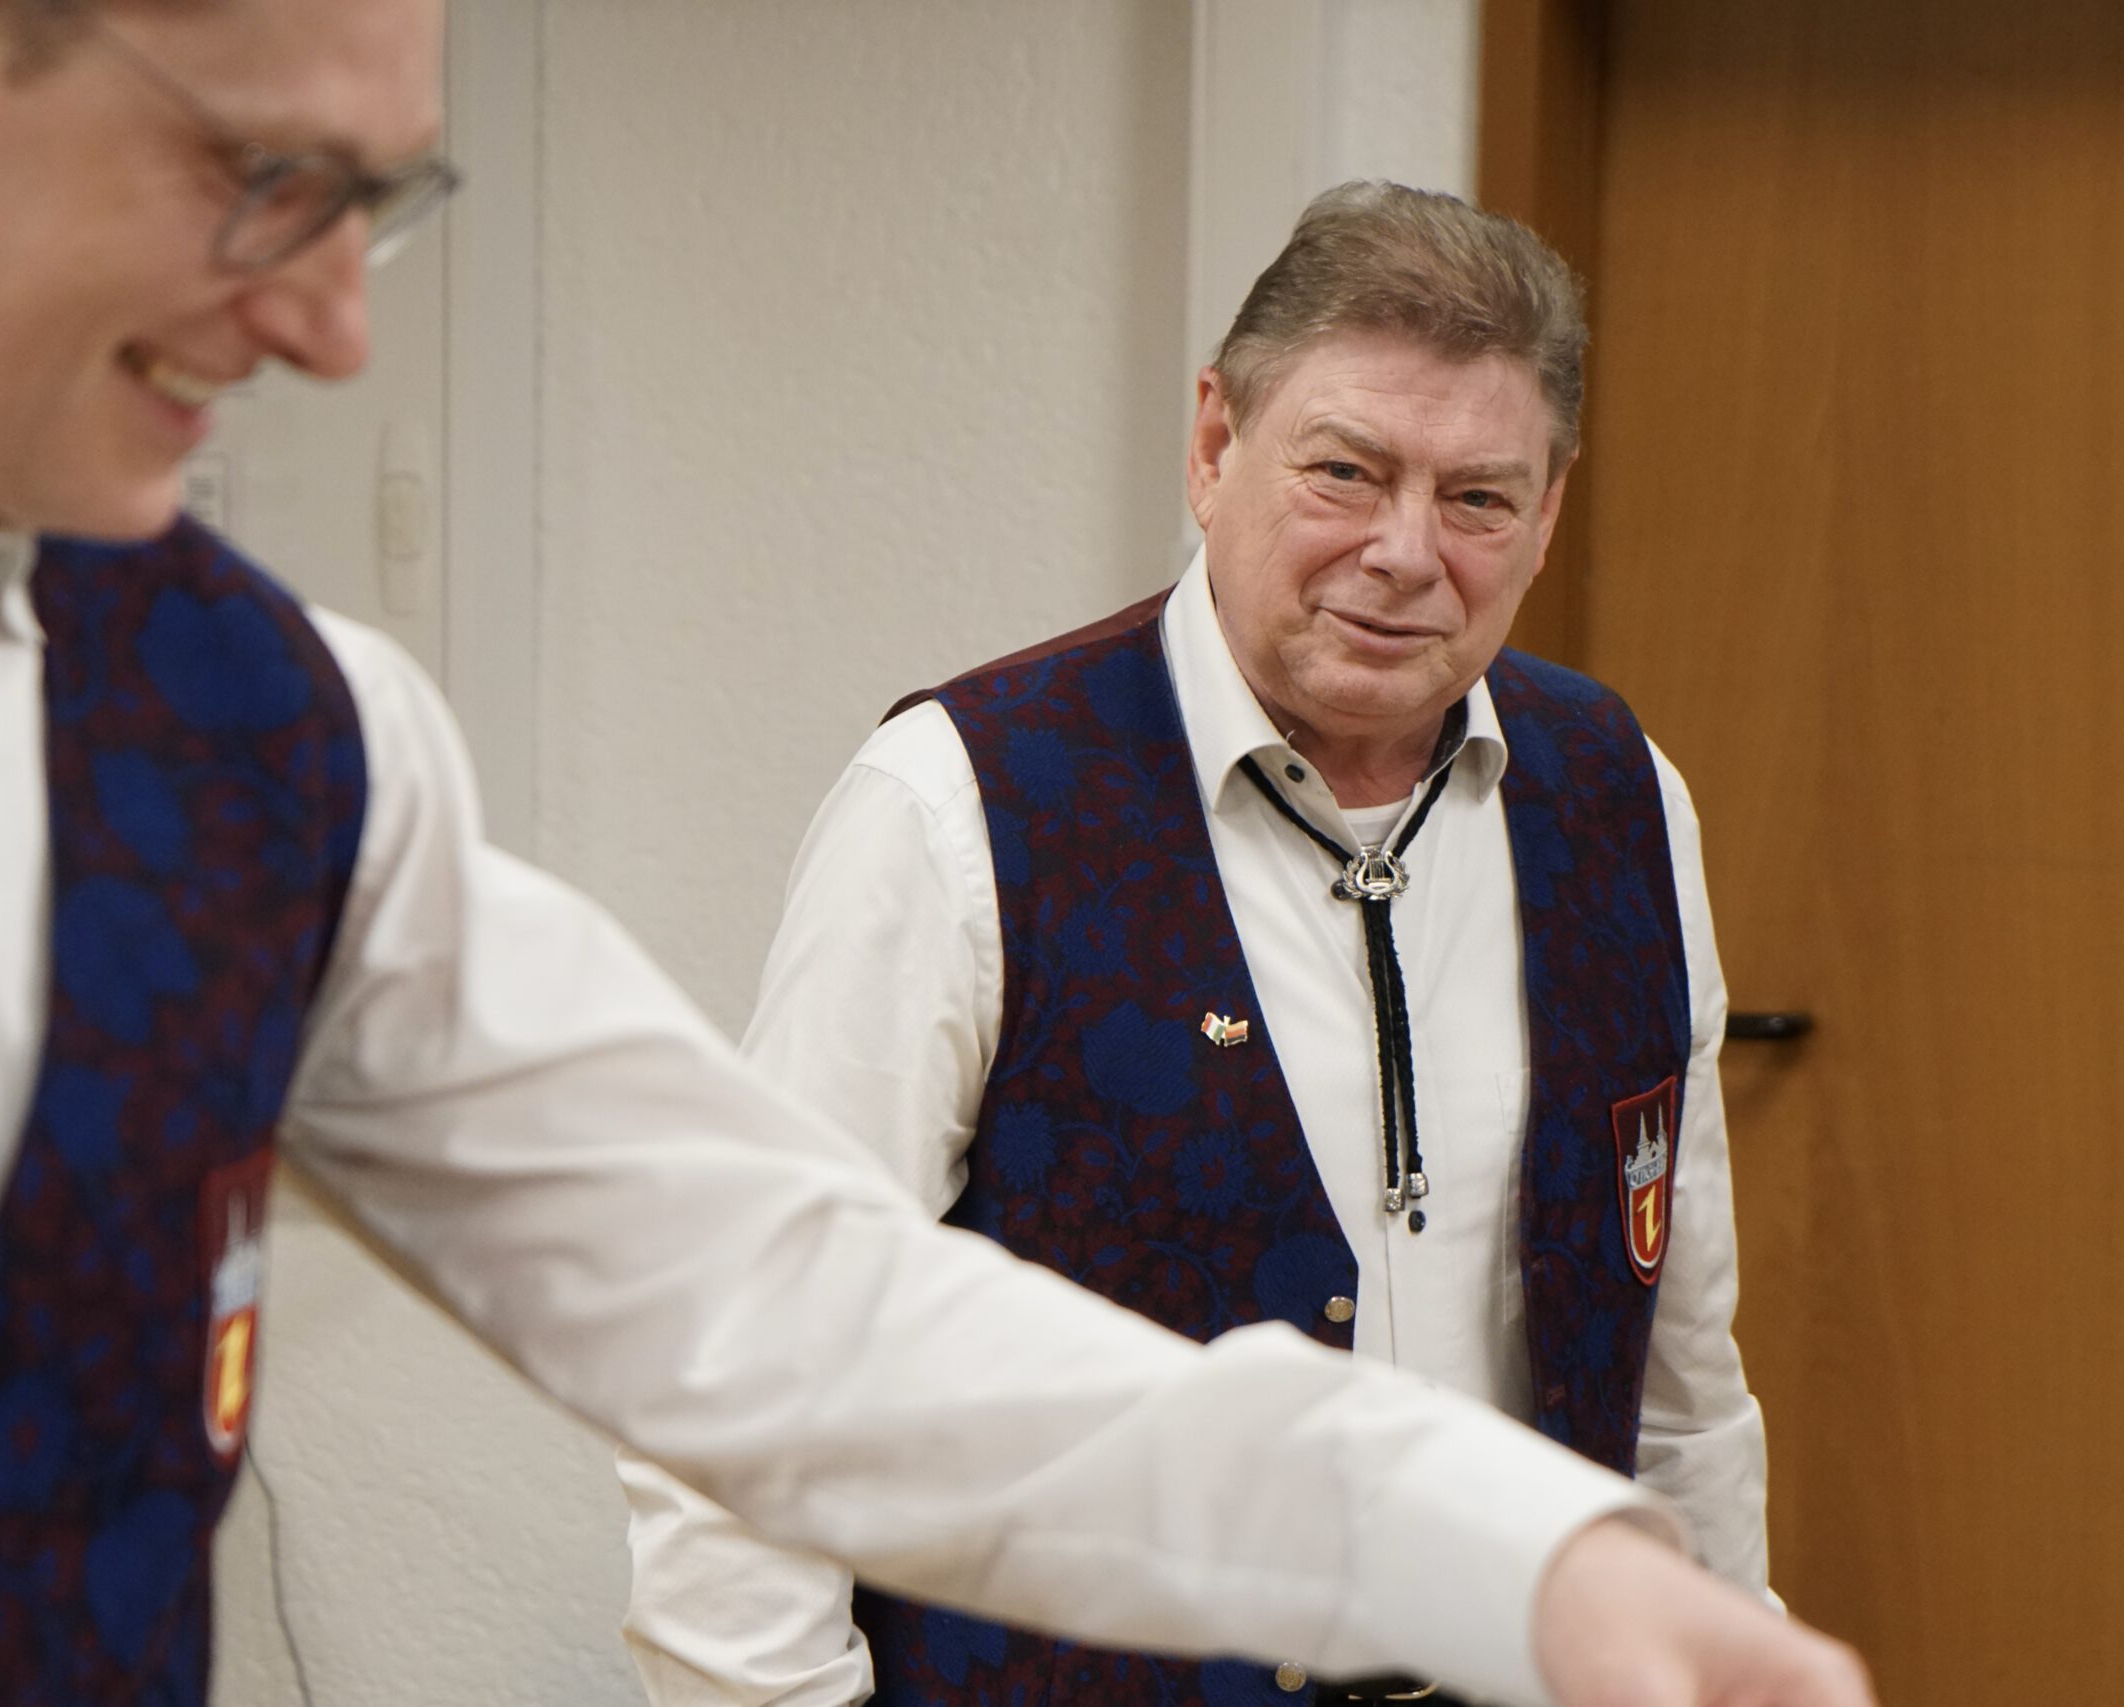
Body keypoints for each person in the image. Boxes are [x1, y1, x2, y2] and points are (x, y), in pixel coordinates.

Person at [0, 1, 1872, 1703]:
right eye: (263, 178)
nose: (337, 327)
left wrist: (1522, 1556)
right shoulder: (959, 797)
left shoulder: (270, 735)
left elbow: (783, 1304)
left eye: (379, 206)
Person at [621, 183, 1778, 1707]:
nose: (1405, 552)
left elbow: (1680, 1391)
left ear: (1548, 514)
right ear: (1216, 445)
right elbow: (753, 1383)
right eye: (1346, 471)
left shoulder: (1622, 803)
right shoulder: (963, 806)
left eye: (1479, 499)